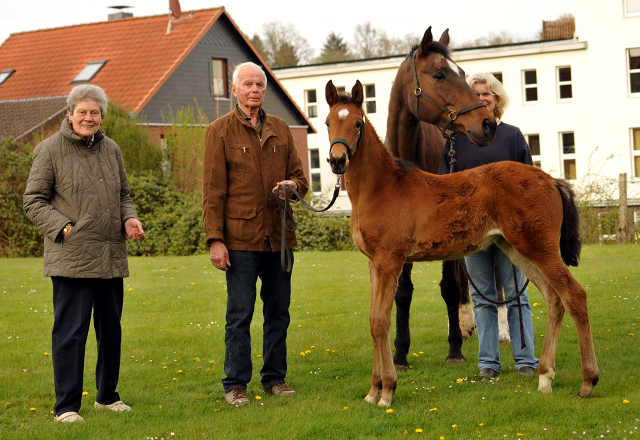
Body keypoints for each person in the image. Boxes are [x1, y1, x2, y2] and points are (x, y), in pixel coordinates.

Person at [23, 84, 145, 423]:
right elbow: (33, 201)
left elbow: (124, 195)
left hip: (111, 256)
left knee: (111, 330)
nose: (89, 118)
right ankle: (66, 407)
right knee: (71, 334)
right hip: (72, 258)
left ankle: (107, 397)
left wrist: (129, 217)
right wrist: (64, 228)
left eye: (95, 112)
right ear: (70, 114)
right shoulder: (49, 150)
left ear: (102, 115)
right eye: (83, 112)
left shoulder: (113, 150)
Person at [202, 62, 309, 407]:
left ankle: (275, 378)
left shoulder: (280, 128)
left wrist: (292, 186)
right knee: (240, 314)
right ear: (234, 90)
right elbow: (212, 191)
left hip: (278, 238)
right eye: (247, 84)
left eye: (260, 85)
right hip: (240, 239)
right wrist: (215, 240)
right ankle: (235, 384)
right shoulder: (219, 131)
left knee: (279, 312)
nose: (254, 90)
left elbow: (301, 181)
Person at [438, 72, 539, 379]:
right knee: (482, 297)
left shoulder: (512, 136)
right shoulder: (457, 140)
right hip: (473, 231)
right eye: (475, 94)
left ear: (497, 100)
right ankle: (488, 363)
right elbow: (443, 184)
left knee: (516, 294)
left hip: (510, 230)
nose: (481, 98)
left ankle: (525, 361)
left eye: (486, 94)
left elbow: (529, 182)